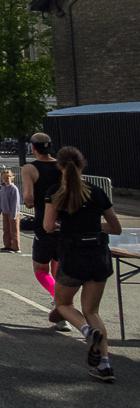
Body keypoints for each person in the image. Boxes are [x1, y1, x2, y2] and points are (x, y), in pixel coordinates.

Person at [44, 147, 122, 383]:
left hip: (72, 253)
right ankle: (105, 366)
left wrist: (66, 226)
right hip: (98, 254)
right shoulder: (97, 191)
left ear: (59, 166)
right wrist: (96, 227)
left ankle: (88, 333)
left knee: (63, 302)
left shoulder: (55, 192)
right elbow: (115, 227)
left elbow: (48, 226)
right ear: (82, 164)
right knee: (92, 311)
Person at [22, 132, 63, 313]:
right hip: (65, 222)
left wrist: (30, 201)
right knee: (58, 265)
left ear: (32, 147)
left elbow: (29, 199)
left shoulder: (30, 169)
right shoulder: (62, 166)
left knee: (41, 268)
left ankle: (60, 300)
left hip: (44, 220)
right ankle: (62, 305)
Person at [0, 169, 21, 253]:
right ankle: (7, 245)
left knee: (13, 230)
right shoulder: (3, 187)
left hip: (12, 212)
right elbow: (0, 199)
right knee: (6, 229)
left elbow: (15, 202)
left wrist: (14, 213)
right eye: (4, 177)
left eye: (8, 177)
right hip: (5, 211)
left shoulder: (13, 188)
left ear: (12, 178)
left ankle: (15, 247)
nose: (6, 179)